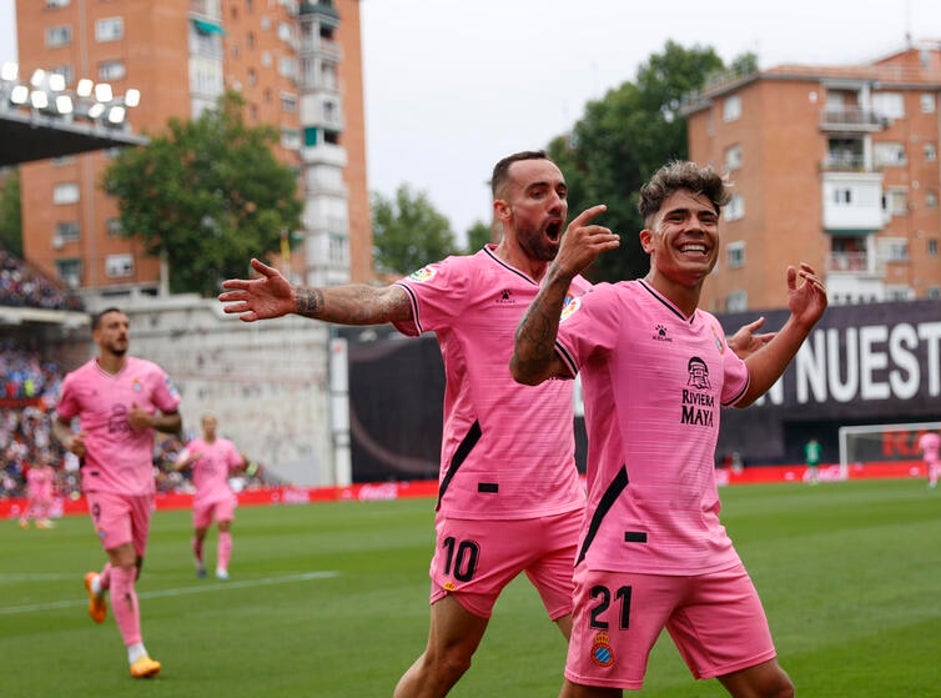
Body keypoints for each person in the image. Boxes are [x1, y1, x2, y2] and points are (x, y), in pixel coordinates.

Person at [219, 151, 591, 698]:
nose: (556, 201)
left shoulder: (577, 293)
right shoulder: (466, 276)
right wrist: (299, 298)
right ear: (504, 210)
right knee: (448, 662)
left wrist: (718, 349)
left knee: (600, 657)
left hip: (566, 511)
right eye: (537, 192)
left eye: (560, 191)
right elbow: (380, 298)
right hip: (483, 509)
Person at [511, 160, 827, 697]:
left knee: (771, 691)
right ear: (649, 239)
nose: (696, 228)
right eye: (678, 217)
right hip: (627, 552)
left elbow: (743, 387)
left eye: (707, 217)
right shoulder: (610, 304)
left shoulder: (706, 329)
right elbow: (526, 365)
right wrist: (560, 274)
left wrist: (798, 324)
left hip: (706, 549)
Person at [53, 307, 183, 679]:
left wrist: (153, 420)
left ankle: (98, 583)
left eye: (125, 325)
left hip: (141, 483)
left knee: (133, 568)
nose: (122, 331)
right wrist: (69, 441)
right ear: (97, 335)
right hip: (101, 481)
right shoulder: (77, 381)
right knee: (126, 564)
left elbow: (176, 421)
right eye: (113, 326)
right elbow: (59, 424)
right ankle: (137, 653)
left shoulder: (151, 374)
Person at [172, 413, 247, 580]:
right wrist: (191, 458)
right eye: (207, 424)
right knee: (200, 534)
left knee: (224, 524)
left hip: (222, 492)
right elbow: (176, 465)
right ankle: (199, 562)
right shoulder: (194, 446)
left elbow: (238, 466)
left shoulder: (226, 446)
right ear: (202, 426)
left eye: (212, 423)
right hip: (202, 495)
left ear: (216, 425)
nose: (210, 426)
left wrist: (245, 461)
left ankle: (222, 568)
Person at [19, 459, 56, 529]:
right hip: (37, 492)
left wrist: (47, 473)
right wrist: (47, 473)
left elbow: (50, 477)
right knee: (38, 506)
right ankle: (39, 520)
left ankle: (26, 520)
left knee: (34, 506)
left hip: (38, 491)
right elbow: (41, 479)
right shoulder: (33, 472)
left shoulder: (33, 471)